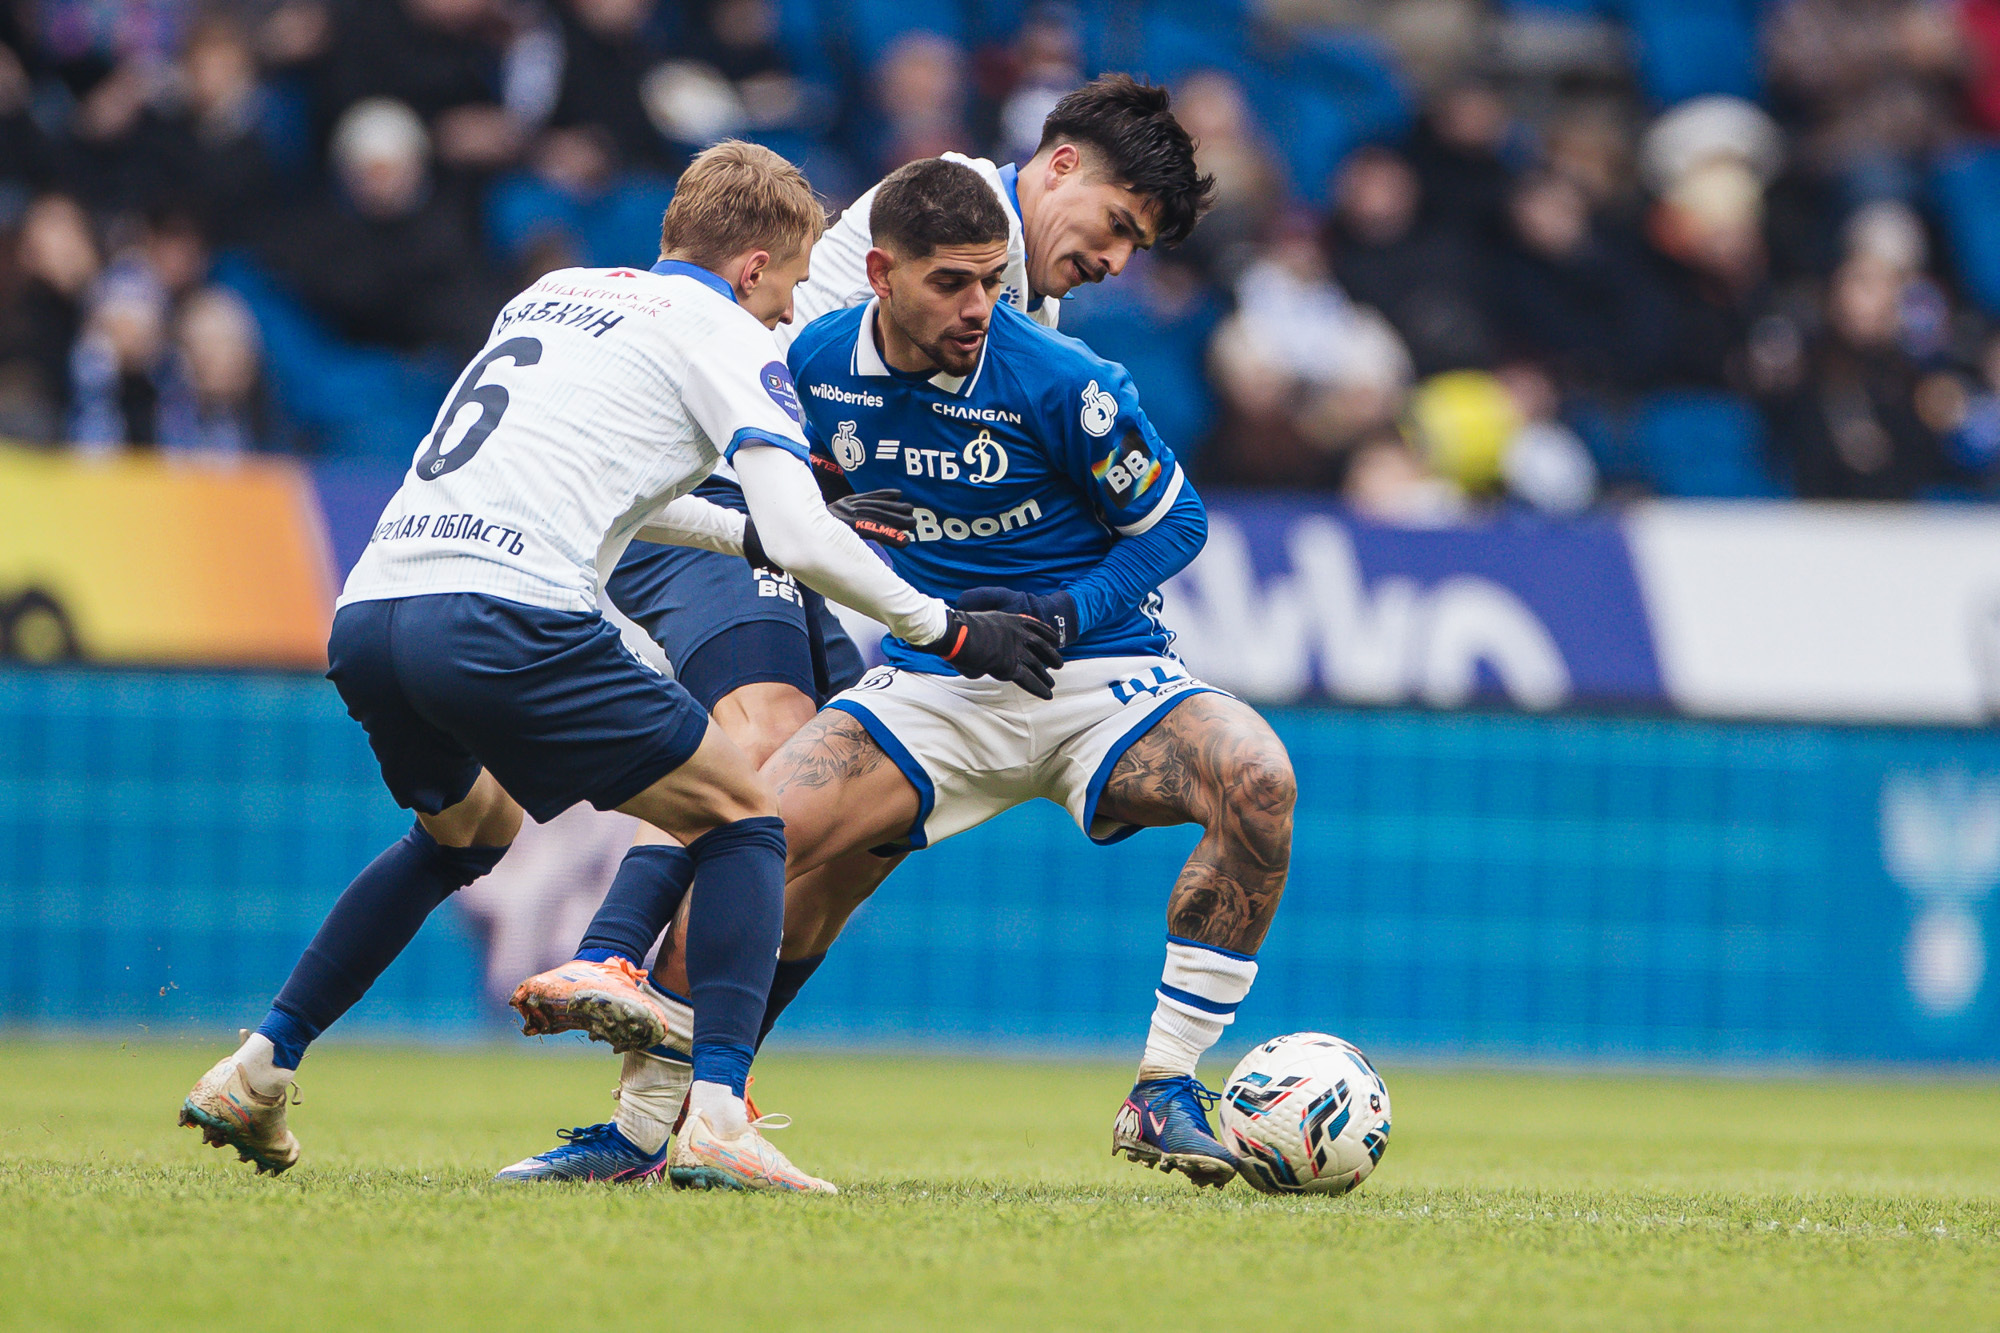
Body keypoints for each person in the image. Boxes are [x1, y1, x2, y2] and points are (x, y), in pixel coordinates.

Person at [176, 141, 1059, 1194]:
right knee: (742, 809)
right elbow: (804, 530)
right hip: (504, 610)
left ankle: (260, 1064)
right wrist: (948, 630)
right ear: (751, 267)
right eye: (787, 282)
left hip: (374, 602)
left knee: (467, 830)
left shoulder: (557, 293)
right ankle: (717, 1114)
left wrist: (750, 541)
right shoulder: (726, 332)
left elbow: (628, 491)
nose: (788, 312)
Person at [506, 156, 1296, 1191]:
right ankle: (648, 1131)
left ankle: (1163, 1087)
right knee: (745, 842)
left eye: (989, 278)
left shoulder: (1066, 383)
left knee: (1258, 780)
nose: (979, 306)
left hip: (1094, 678)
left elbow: (1174, 521)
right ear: (879, 274)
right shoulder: (818, 362)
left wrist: (1065, 610)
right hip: (931, 689)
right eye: (950, 283)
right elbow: (810, 490)